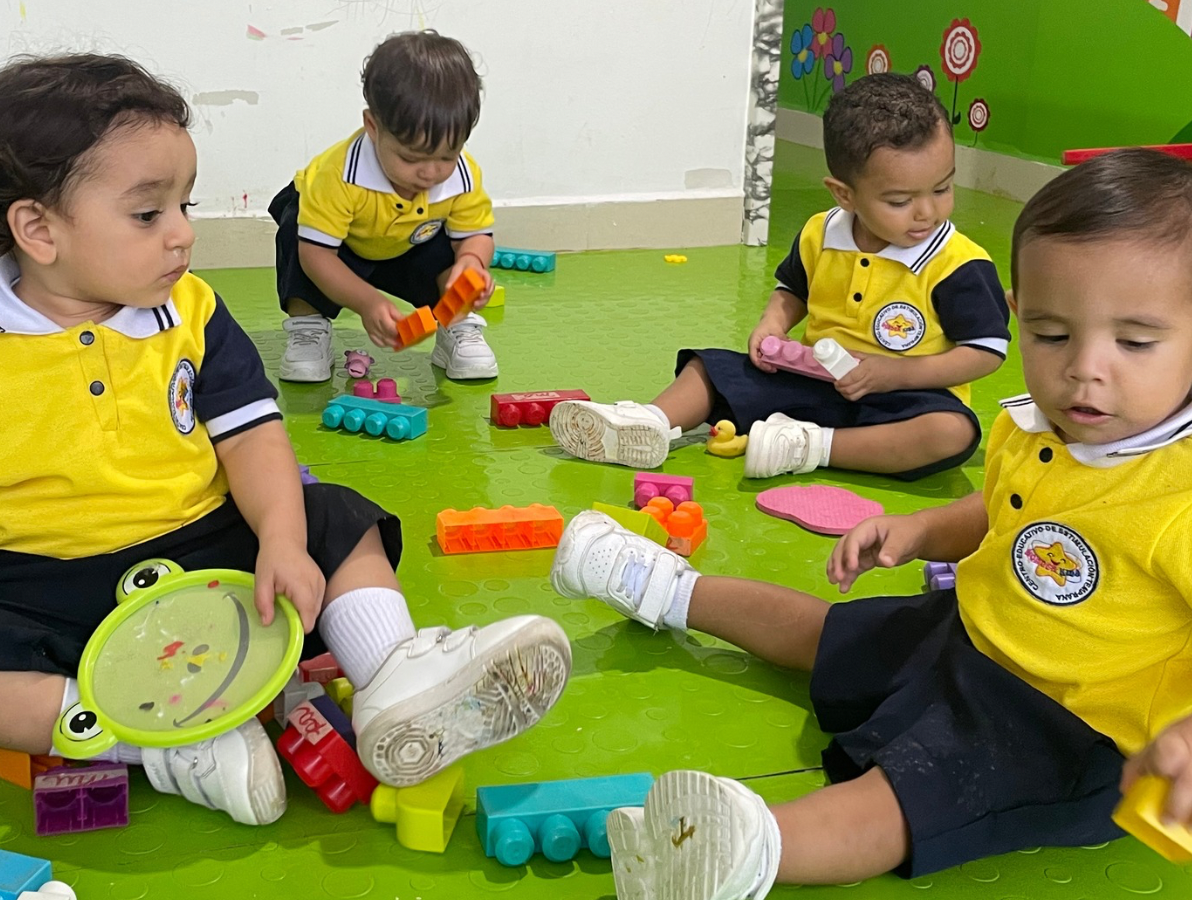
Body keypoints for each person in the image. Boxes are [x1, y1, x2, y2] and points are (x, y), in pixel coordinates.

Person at [0, 54, 571, 827]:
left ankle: (396, 682)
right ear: (38, 230)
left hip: (204, 548)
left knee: (336, 518)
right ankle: (137, 739)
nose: (183, 235)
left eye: (185, 206)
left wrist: (283, 540)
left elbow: (252, 433)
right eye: (150, 213)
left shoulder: (189, 312)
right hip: (42, 582)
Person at [549, 149, 1192, 896]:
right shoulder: (1047, 427)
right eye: (1052, 335)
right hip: (973, 631)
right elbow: (1014, 513)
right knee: (834, 632)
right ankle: (663, 586)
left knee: (905, 797)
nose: (1085, 369)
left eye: (1135, 343)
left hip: (1066, 728)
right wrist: (919, 532)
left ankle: (741, 850)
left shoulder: (1177, 493)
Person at [551, 73, 1009, 480]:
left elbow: (986, 352)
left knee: (951, 432)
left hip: (905, 399)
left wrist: (896, 374)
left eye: (942, 188)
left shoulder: (957, 263)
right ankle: (649, 424)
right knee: (708, 368)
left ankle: (811, 448)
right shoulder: (821, 233)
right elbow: (794, 291)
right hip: (814, 382)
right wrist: (772, 325)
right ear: (845, 194)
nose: (927, 211)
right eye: (899, 201)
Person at [273, 30, 499, 382]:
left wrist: (471, 263)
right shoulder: (338, 176)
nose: (430, 172)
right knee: (296, 234)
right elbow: (315, 256)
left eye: (446, 156)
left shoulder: (461, 175)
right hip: (337, 247)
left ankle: (456, 324)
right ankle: (308, 328)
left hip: (407, 241)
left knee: (452, 252)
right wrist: (367, 302)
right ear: (373, 127)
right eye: (411, 158)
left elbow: (477, 235)